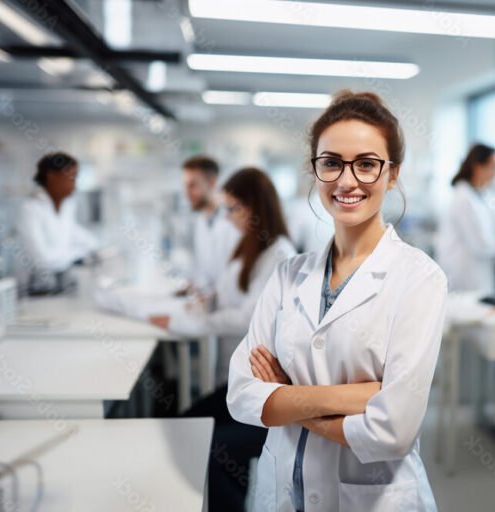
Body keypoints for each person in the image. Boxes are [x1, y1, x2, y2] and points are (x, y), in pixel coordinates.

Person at [226, 91, 447, 511]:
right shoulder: (287, 275)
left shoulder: (419, 279)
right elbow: (241, 395)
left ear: (392, 174)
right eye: (331, 163)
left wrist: (289, 397)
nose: (347, 181)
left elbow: (393, 429)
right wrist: (353, 397)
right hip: (284, 492)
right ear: (315, 171)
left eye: (366, 164)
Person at [150, 167, 295, 385]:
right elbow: (230, 290)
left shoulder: (279, 255)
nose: (226, 217)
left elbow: (247, 319)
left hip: (255, 378)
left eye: (231, 208)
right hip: (231, 364)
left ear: (253, 207)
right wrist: (210, 299)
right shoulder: (248, 245)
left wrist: (189, 322)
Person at [17, 151, 98, 295]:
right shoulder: (30, 209)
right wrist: (76, 253)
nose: (74, 184)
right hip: (36, 292)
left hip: (64, 287)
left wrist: (71, 253)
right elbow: (42, 261)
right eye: (71, 177)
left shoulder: (66, 206)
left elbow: (90, 242)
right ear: (52, 176)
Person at [436, 143, 495, 293]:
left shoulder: (477, 196)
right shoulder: (464, 199)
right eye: (493, 167)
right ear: (478, 167)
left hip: (475, 277)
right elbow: (481, 244)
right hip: (465, 278)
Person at [179, 155, 240, 298]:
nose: (186, 192)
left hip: (232, 305)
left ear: (211, 183)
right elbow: (203, 271)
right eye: (185, 185)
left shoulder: (233, 222)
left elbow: (236, 277)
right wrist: (194, 285)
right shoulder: (201, 221)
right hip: (210, 301)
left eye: (192, 185)